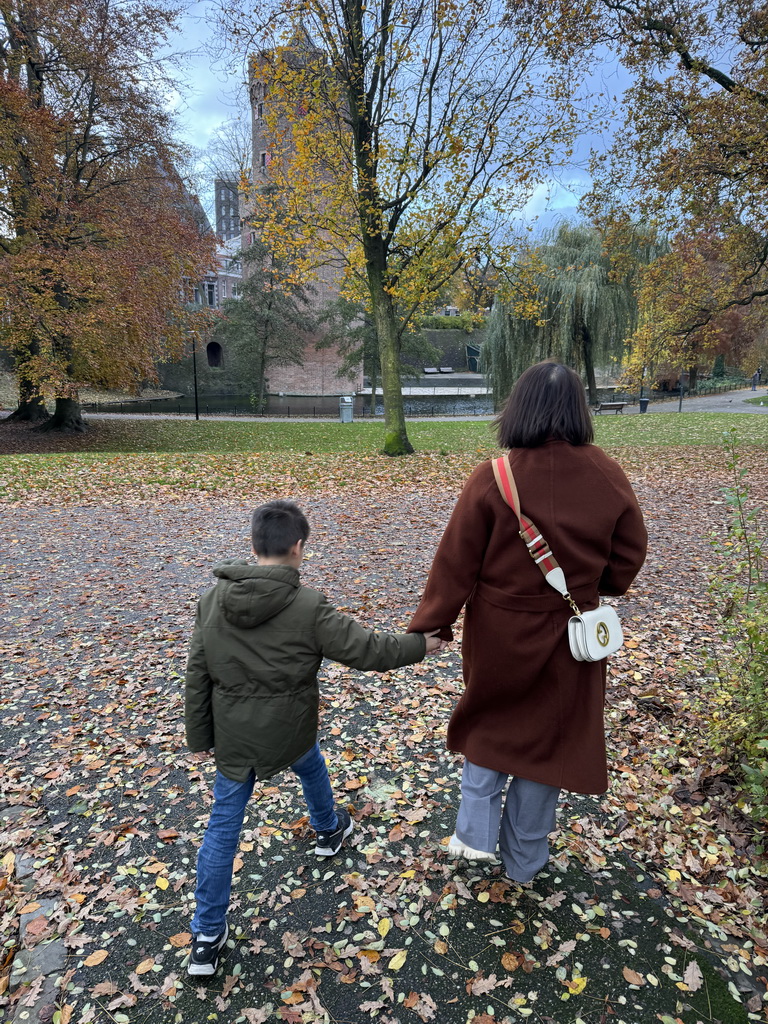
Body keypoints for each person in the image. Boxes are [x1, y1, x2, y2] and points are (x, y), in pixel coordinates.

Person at [408, 360, 647, 885]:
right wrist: (592, 586)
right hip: (571, 633)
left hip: (499, 630)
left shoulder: (494, 478)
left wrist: (431, 626)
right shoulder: (608, 474)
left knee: (488, 721)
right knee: (550, 743)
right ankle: (525, 863)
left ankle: (474, 836)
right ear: (579, 411)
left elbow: (455, 563)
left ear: (520, 408)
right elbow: (629, 558)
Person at [185, 499, 441, 976]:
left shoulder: (211, 601)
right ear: (299, 547)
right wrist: (420, 645)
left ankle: (205, 935)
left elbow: (197, 672)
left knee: (224, 825)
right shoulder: (308, 606)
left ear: (255, 544)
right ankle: (327, 828)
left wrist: (201, 736)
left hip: (235, 735)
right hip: (290, 725)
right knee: (308, 760)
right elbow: (367, 649)